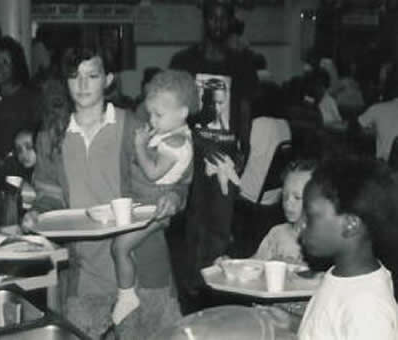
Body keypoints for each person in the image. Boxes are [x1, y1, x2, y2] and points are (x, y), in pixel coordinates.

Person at [21, 45, 188, 339]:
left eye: (92, 75)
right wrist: (37, 214)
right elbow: (49, 196)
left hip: (141, 270)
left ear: (109, 79)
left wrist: (174, 198)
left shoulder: (134, 128)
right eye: (75, 76)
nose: (83, 85)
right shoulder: (50, 136)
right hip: (85, 275)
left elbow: (174, 177)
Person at [169, 0, 258, 298]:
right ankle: (193, 281)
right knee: (193, 218)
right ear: (204, 21)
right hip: (191, 150)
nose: (217, 24)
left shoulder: (242, 62)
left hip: (225, 154)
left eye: (223, 19)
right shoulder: (184, 61)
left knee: (220, 220)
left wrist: (244, 146)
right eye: (212, 18)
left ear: (230, 22)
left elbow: (245, 107)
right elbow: (176, 110)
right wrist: (195, 142)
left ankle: (214, 281)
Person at [259, 157, 398, 339]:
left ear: (350, 225)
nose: (301, 225)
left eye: (310, 216)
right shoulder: (342, 275)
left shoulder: (368, 307)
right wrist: (293, 323)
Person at [111, 70, 195, 325]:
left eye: (159, 115)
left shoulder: (177, 142)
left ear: (182, 113)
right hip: (146, 203)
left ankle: (126, 297)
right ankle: (127, 293)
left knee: (120, 247)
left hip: (155, 206)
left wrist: (139, 146)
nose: (152, 120)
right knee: (123, 247)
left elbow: (152, 173)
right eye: (150, 114)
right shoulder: (169, 133)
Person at [251, 160, 317, 265]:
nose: (288, 203)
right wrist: (229, 263)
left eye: (297, 197)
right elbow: (254, 265)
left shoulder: (325, 242)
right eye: (285, 196)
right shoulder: (277, 234)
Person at [358, 85, 398, 162]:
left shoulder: (377, 108)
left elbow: (358, 129)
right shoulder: (376, 108)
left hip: (384, 165)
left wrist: (377, 130)